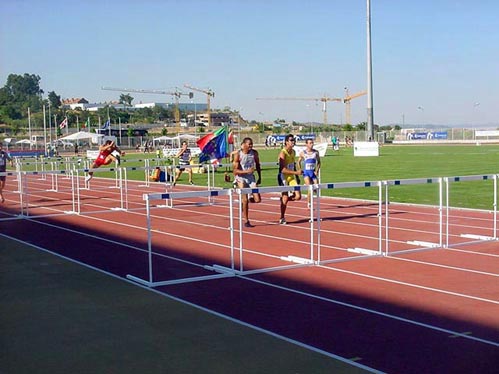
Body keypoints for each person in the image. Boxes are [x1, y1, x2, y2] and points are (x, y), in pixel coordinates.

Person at [233, 137, 262, 228]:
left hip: (251, 177)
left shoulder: (254, 153)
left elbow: (257, 164)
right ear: (244, 144)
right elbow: (235, 171)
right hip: (241, 177)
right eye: (249, 144)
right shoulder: (238, 154)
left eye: (251, 144)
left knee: (258, 199)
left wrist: (259, 176)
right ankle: (246, 220)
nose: (250, 146)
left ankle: (246, 202)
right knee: (245, 200)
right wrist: (246, 171)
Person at [277, 134, 302, 224]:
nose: (293, 142)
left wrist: (297, 176)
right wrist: (296, 173)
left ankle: (285, 199)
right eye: (291, 140)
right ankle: (282, 217)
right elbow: (283, 170)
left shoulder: (293, 152)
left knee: (298, 196)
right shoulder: (283, 153)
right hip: (283, 177)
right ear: (286, 142)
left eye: (294, 140)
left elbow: (293, 165)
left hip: (291, 177)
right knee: (285, 197)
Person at [298, 139, 321, 207]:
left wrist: (316, 170)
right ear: (306, 144)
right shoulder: (303, 152)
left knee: (316, 188)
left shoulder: (316, 152)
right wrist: (300, 170)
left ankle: (313, 199)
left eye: (312, 143)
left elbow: (319, 162)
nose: (312, 144)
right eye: (310, 143)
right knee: (310, 188)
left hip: (313, 173)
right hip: (306, 173)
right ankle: (309, 203)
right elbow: (298, 161)